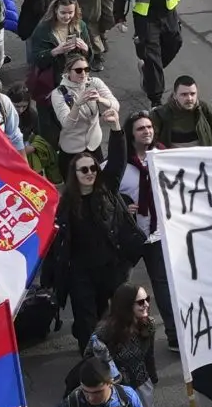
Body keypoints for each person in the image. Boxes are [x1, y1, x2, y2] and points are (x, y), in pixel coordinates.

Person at [46, 148, 143, 348]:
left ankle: (122, 349)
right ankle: (91, 360)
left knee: (115, 311)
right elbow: (56, 239)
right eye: (84, 170)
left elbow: (117, 161)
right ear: (75, 174)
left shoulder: (107, 191)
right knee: (86, 318)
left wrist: (116, 128)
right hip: (80, 272)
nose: (90, 172)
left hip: (110, 266)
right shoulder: (65, 204)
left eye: (93, 168)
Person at [152, 76, 212, 148]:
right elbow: (149, 140)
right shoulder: (160, 114)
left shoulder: (205, 109)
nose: (189, 98)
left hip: (202, 158)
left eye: (192, 94)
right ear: (175, 95)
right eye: (184, 94)